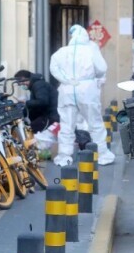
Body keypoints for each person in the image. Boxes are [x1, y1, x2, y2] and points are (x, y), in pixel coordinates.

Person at [49, 24, 115, 166]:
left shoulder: (61, 52)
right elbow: (101, 68)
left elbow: (53, 68)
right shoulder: (91, 50)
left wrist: (65, 80)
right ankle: (102, 154)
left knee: (67, 125)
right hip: (87, 90)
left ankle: (64, 156)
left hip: (67, 90)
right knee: (95, 123)